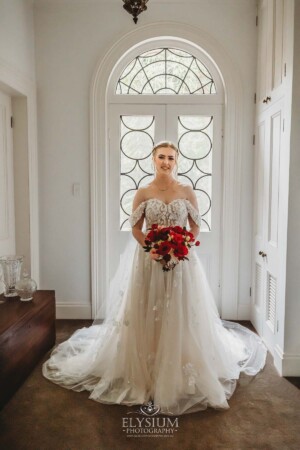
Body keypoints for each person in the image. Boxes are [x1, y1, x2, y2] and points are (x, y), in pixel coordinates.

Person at [43, 141, 267, 415]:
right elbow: (135, 227)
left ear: (177, 161)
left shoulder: (186, 190)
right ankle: (145, 368)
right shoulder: (143, 192)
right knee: (148, 308)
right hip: (149, 260)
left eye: (171, 158)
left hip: (182, 261)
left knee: (181, 310)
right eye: (161, 157)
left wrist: (181, 246)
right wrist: (151, 247)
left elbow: (195, 225)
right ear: (152, 159)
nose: (166, 162)